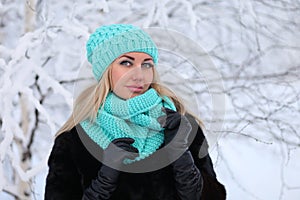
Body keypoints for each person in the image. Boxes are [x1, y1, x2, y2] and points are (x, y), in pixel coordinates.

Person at [44, 24, 226, 200]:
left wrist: (181, 157)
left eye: (147, 65)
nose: (139, 75)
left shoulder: (180, 125)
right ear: (106, 71)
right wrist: (104, 181)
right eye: (126, 63)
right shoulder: (74, 140)